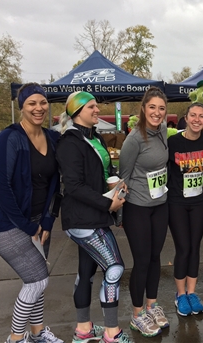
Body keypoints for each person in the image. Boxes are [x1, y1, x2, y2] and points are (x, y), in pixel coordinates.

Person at [0, 83, 63, 343]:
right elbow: (1, 187)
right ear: (22, 108)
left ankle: (38, 331)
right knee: (37, 280)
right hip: (7, 224)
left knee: (39, 279)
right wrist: (28, 227)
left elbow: (56, 185)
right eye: (32, 103)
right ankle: (16, 338)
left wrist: (48, 220)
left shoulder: (53, 138)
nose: (39, 108)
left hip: (40, 222)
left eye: (42, 102)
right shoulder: (10, 138)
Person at [56, 91, 132, 343]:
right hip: (81, 219)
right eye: (91, 107)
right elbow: (74, 186)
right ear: (77, 113)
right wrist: (108, 203)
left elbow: (101, 173)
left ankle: (83, 330)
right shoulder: (69, 143)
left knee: (86, 271)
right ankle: (112, 332)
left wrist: (116, 186)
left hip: (95, 216)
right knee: (114, 267)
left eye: (96, 107)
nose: (97, 110)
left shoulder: (95, 137)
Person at [118, 86, 170, 338]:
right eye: (152, 107)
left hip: (160, 205)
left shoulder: (162, 131)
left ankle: (152, 305)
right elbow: (123, 177)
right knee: (141, 261)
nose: (157, 112)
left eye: (161, 108)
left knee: (155, 257)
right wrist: (119, 213)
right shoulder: (134, 139)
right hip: (137, 207)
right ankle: (137, 314)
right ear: (143, 108)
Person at [167, 102, 203, 316]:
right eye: (193, 115)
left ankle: (192, 293)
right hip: (176, 201)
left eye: (201, 116)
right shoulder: (173, 142)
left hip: (198, 202)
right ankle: (180, 294)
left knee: (195, 247)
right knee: (183, 247)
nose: (197, 119)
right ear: (186, 117)